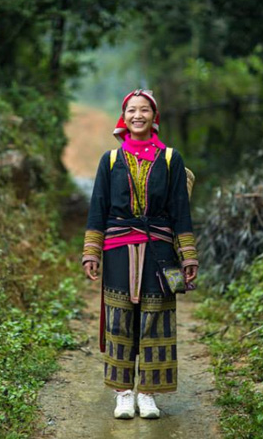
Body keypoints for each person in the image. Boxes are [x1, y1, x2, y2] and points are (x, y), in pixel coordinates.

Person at [82, 89, 198, 420]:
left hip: (160, 249)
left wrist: (188, 255)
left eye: (144, 110)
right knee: (120, 319)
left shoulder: (171, 159)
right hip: (118, 247)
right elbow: (97, 207)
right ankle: (123, 393)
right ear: (124, 117)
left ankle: (147, 393)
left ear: (153, 116)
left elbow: (180, 210)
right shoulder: (111, 160)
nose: (137, 115)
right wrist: (92, 252)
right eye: (131, 110)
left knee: (156, 318)